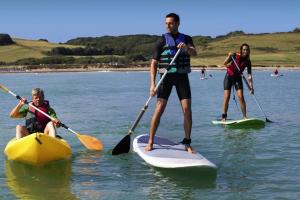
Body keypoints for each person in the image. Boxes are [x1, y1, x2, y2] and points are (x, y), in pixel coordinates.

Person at [145, 13, 197, 153]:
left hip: (181, 77)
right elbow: (154, 63)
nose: (168, 26)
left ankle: (187, 141)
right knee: (159, 109)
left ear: (178, 23)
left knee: (187, 110)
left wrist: (186, 48)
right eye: (166, 23)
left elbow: (194, 53)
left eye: (171, 23)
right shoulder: (161, 40)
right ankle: (150, 141)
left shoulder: (186, 38)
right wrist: (152, 84)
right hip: (165, 78)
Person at [221, 43, 254, 121]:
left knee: (241, 97)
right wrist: (229, 56)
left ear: (249, 51)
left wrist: (251, 87)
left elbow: (249, 76)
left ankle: (245, 117)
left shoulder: (248, 61)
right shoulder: (235, 55)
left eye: (247, 50)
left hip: (238, 78)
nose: (245, 51)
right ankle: (224, 117)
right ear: (241, 50)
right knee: (227, 97)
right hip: (229, 76)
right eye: (244, 49)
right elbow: (224, 63)